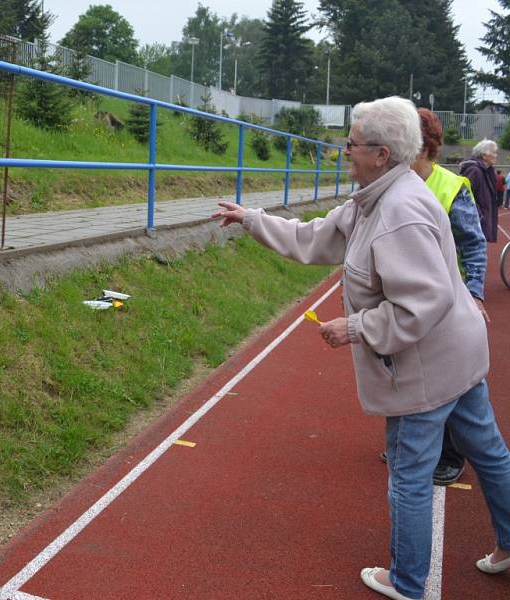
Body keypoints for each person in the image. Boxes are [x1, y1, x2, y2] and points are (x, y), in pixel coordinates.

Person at [212, 96, 510, 600]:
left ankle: (409, 582)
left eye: (350, 144)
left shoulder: (398, 212)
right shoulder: (375, 197)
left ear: (381, 154)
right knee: (487, 451)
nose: (343, 150)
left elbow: (421, 304)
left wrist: (353, 328)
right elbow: (314, 238)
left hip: (429, 368)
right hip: (453, 356)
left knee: (410, 475)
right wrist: (251, 219)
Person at [384, 108, 489, 487]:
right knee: (402, 372)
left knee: (446, 382)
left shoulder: (451, 186)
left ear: (424, 147)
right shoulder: (392, 181)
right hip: (404, 299)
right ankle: (406, 444)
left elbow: (474, 246)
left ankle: (450, 455)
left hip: (446, 302)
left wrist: (475, 294)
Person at [460, 140, 499, 242]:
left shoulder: (487, 171)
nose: (496, 155)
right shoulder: (475, 171)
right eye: (493, 152)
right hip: (475, 224)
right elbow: (465, 197)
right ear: (484, 155)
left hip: (479, 224)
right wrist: (479, 216)